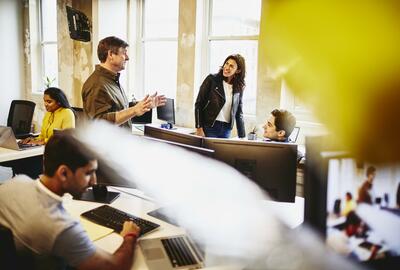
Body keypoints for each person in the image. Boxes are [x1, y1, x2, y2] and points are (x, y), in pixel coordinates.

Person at [0, 132, 140, 269]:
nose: (94, 181)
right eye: (88, 173)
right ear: (64, 173)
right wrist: (130, 235)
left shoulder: (16, 183)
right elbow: (115, 265)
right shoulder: (61, 228)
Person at [82, 36, 166, 129]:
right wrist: (134, 110)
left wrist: (144, 105)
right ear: (110, 55)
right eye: (124, 53)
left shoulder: (112, 80)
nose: (127, 58)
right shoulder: (96, 84)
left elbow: (118, 110)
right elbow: (100, 122)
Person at [195, 54, 246, 138]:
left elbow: (239, 112)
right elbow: (199, 104)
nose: (227, 67)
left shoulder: (238, 88)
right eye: (226, 63)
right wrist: (199, 128)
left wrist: (242, 136)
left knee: (222, 152)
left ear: (238, 70)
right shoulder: (211, 79)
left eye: (231, 66)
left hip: (226, 130)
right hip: (209, 127)